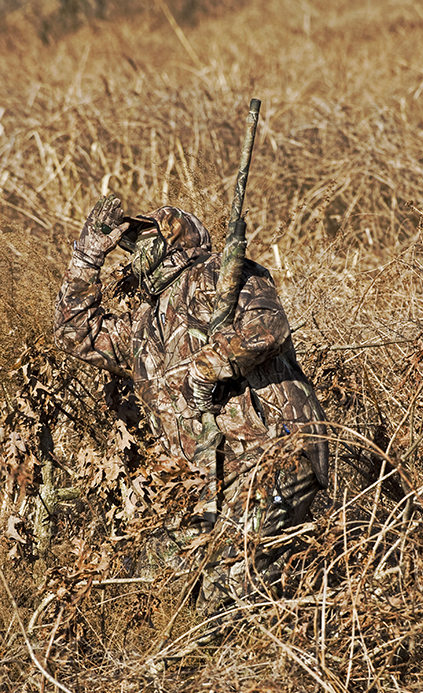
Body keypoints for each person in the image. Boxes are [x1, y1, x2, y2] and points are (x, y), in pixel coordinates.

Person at [54, 194, 328, 612]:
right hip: (210, 484)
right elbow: (74, 335)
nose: (133, 252)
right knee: (154, 580)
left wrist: (209, 366)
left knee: (230, 592)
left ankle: (284, 664)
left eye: (144, 238)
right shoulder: (141, 327)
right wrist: (87, 255)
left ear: (172, 242)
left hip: (274, 452)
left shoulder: (220, 275)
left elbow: (269, 325)